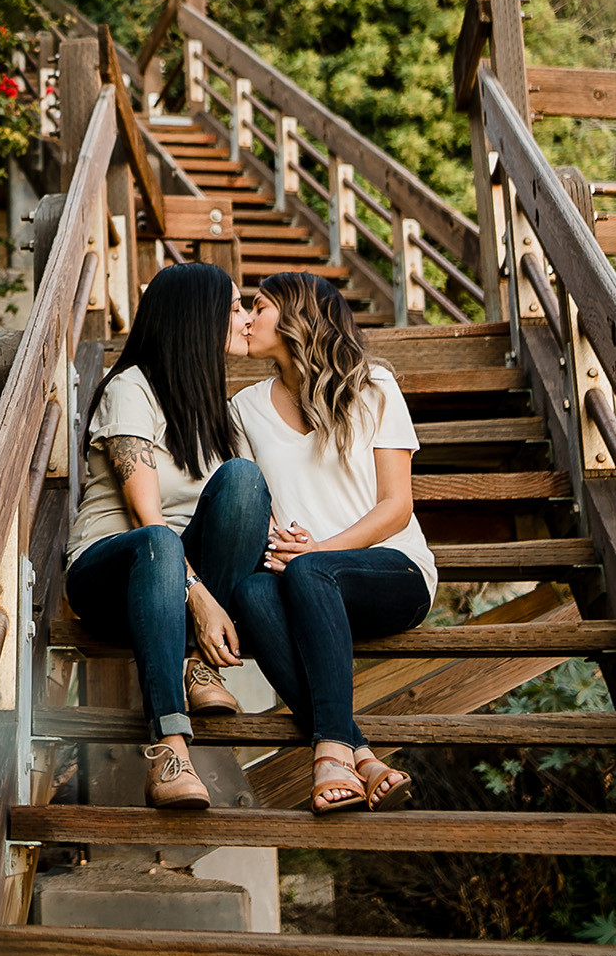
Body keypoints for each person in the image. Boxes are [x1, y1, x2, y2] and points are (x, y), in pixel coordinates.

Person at [212, 270, 433, 813]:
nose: (245, 319)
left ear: (294, 317)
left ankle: (331, 749)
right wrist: (277, 537)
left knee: (310, 572)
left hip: (392, 571)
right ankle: (359, 752)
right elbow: (251, 503)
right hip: (300, 579)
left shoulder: (374, 384)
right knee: (250, 595)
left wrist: (322, 549)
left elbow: (396, 506)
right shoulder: (244, 408)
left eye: (257, 307)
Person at [60, 262, 262, 810]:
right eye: (236, 307)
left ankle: (197, 663)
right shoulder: (131, 389)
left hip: (180, 573)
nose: (246, 319)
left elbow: (238, 515)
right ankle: (170, 747)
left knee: (243, 481)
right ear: (199, 318)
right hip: (112, 568)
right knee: (161, 541)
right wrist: (199, 601)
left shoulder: (218, 411)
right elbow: (146, 513)